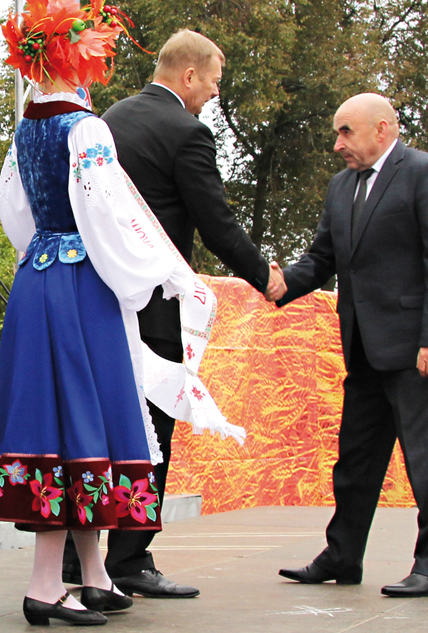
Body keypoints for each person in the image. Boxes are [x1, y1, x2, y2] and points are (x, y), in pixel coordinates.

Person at [0, 1, 222, 624]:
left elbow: (13, 208)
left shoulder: (26, 126)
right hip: (83, 285)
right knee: (80, 422)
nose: (100, 63)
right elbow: (107, 215)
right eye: (95, 53)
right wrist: (150, 276)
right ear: (75, 55)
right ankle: (46, 585)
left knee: (60, 419)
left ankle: (94, 574)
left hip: (37, 281)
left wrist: (42, 252)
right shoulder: (86, 127)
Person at [61, 29, 277, 599]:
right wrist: (266, 277)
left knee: (98, 430)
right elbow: (216, 223)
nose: (215, 93)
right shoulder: (188, 133)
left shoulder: (108, 120)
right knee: (150, 434)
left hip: (100, 301)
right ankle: (130, 559)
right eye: (214, 82)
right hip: (154, 309)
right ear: (189, 76)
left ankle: (75, 558)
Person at [266, 92, 428, 598]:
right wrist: (281, 283)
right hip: (363, 348)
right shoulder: (342, 187)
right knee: (354, 461)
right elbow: (322, 258)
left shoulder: (426, 173)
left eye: (345, 132)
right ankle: (343, 555)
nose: (337, 145)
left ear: (382, 129)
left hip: (418, 350)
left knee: (425, 460)